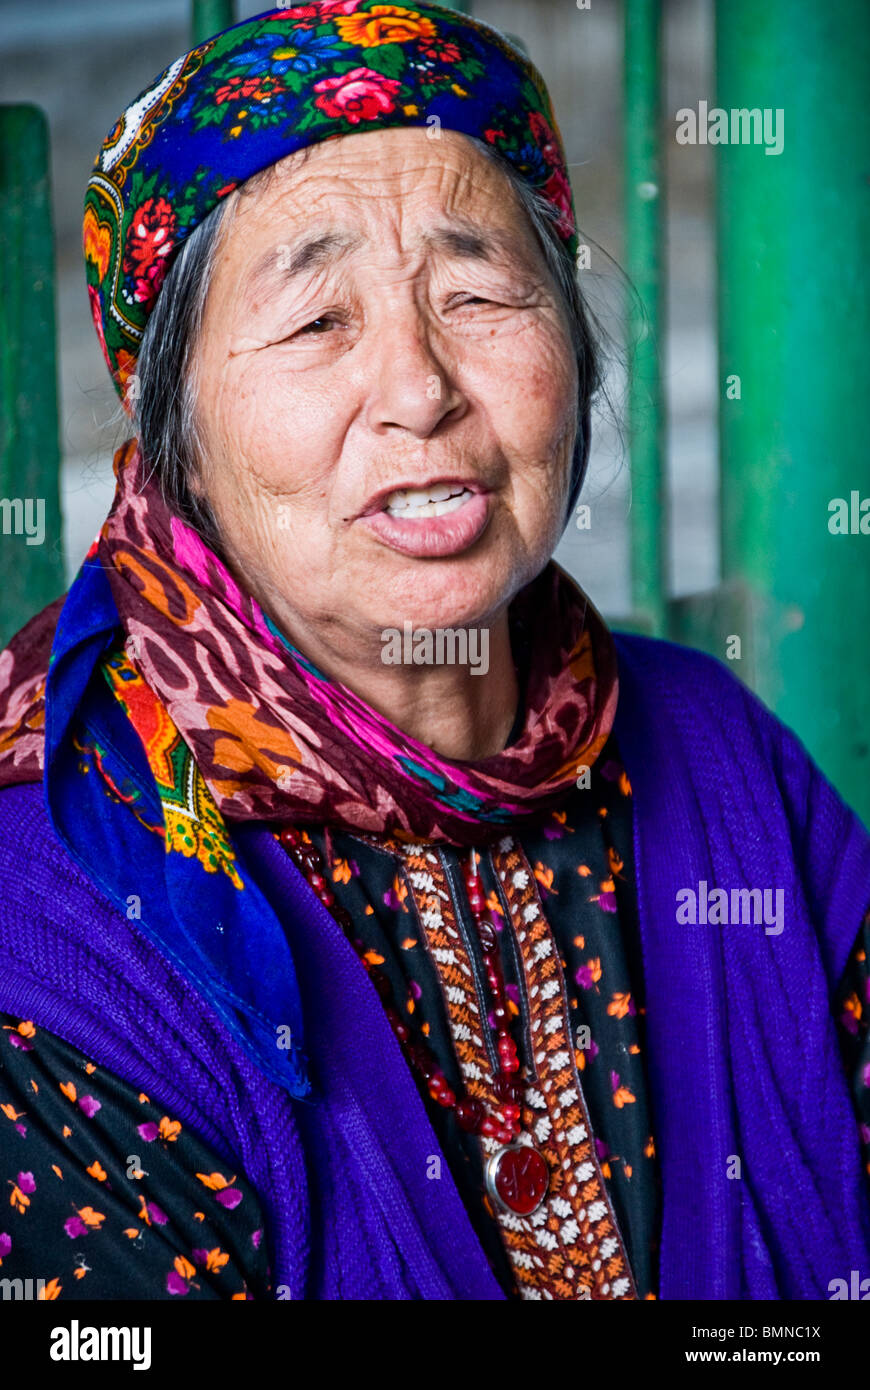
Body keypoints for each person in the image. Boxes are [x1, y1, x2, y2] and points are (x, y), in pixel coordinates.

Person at [0, 1, 868, 1302]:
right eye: (316, 322)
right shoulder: (60, 914)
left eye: (477, 292)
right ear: (170, 429)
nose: (417, 390)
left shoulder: (719, 748)